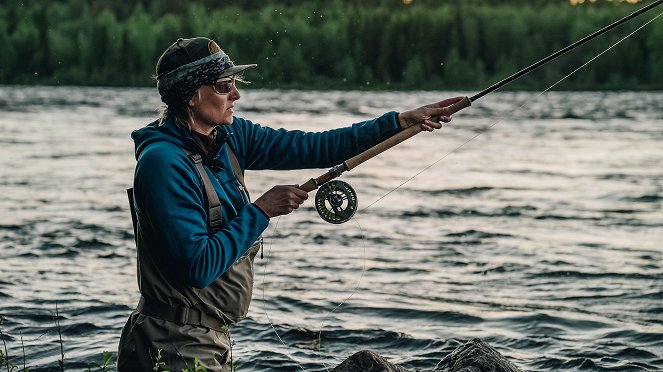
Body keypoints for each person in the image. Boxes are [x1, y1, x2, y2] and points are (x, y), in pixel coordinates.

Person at [117, 36, 463, 371]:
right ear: (190, 95)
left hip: (207, 338)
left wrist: (398, 122)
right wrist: (261, 211)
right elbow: (197, 267)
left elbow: (318, 146)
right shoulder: (163, 163)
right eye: (224, 86)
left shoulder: (230, 136)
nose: (236, 94)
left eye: (235, 82)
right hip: (172, 343)